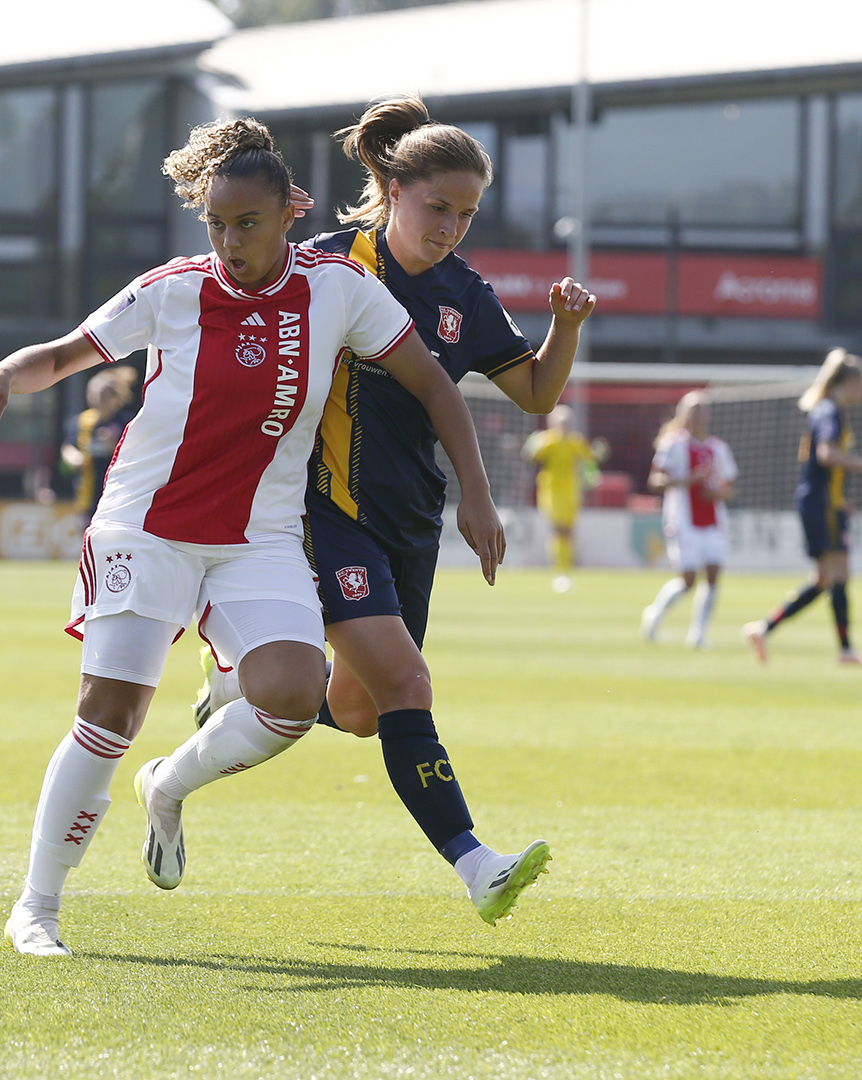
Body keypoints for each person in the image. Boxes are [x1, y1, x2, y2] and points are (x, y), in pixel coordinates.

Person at [0, 117, 504, 957]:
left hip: (260, 538)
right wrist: (2, 373)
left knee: (292, 694)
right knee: (109, 715)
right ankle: (36, 906)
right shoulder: (173, 288)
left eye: (246, 224)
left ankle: (168, 786)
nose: (228, 241)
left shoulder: (339, 288)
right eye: (215, 224)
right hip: (150, 527)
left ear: (289, 213)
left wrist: (477, 494)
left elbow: (434, 384)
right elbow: (68, 354)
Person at [156, 95, 595, 926]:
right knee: (409, 683)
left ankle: (230, 695)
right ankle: (476, 864)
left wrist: (563, 330)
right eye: (438, 207)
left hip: (409, 522)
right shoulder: (325, 262)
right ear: (393, 189)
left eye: (466, 214)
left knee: (360, 712)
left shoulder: (466, 292)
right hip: (324, 512)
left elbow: (534, 393)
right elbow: (237, 308)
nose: (451, 227)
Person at [743, 349, 862, 667]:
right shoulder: (829, 412)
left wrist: (842, 499)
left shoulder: (828, 410)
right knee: (838, 574)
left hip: (825, 501)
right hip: (821, 502)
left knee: (825, 579)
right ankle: (846, 650)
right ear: (849, 382)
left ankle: (763, 629)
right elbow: (826, 454)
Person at [640, 391, 737, 649]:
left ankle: (698, 634)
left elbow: (729, 487)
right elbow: (655, 481)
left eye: (702, 410)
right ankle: (655, 613)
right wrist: (688, 480)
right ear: (683, 414)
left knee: (714, 574)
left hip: (713, 520)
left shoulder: (719, 448)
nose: (698, 415)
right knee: (689, 579)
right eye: (693, 410)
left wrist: (717, 492)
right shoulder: (673, 444)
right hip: (683, 520)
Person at [523, 403, 600, 591]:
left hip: (571, 492)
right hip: (551, 492)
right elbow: (531, 455)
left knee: (569, 532)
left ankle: (566, 570)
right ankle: (560, 572)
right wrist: (531, 445)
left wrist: (597, 457)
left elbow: (591, 459)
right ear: (552, 423)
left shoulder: (576, 442)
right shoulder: (547, 441)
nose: (565, 425)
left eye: (568, 422)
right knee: (558, 530)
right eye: (561, 422)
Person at [60, 368, 137, 525]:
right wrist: (74, 458)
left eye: (103, 394)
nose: (98, 398)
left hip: (118, 492)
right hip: (88, 493)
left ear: (115, 396)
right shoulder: (82, 421)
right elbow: (68, 447)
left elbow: (137, 452)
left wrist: (114, 444)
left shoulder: (126, 422)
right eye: (94, 393)